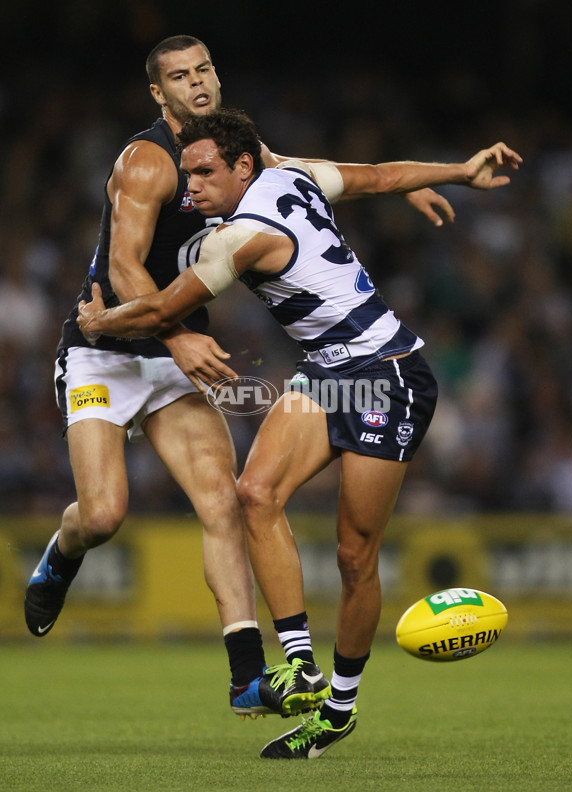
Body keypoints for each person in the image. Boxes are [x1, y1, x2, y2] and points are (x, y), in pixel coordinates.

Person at [24, 35, 455, 721]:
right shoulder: (148, 162)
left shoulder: (236, 154)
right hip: (105, 345)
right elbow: (126, 271)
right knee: (104, 514)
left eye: (203, 70)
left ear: (216, 79)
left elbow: (346, 173)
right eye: (178, 77)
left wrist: (422, 179)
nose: (195, 83)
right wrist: (176, 333)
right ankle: (61, 552)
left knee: (230, 499)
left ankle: (249, 678)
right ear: (157, 94)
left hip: (172, 346)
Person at [77, 109, 522, 758]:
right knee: (254, 493)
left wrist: (103, 323)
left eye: (204, 173)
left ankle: (338, 710)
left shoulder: (245, 236)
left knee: (353, 556)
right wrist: (457, 170)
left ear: (243, 167)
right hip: (326, 374)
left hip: (387, 376)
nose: (190, 186)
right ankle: (299, 664)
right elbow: (380, 176)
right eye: (185, 173)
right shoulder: (295, 177)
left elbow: (167, 308)